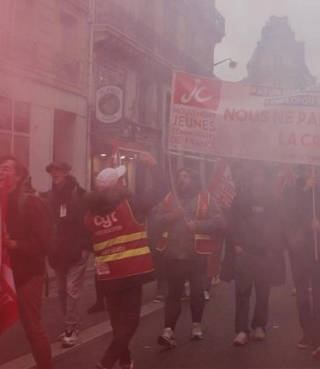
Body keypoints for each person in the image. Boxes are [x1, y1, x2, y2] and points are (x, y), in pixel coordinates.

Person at [0, 156, 53, 368]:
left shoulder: (30, 203)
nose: (0, 172)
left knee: (33, 329)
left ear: (19, 175)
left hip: (27, 276)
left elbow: (42, 244)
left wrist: (13, 244)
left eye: (6, 169)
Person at [83, 153, 166, 369]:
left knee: (117, 320)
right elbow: (160, 188)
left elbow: (86, 242)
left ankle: (125, 359)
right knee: (130, 322)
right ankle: (107, 361)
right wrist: (153, 164)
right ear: (120, 184)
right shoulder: (132, 205)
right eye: (122, 178)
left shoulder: (89, 214)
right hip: (131, 271)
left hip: (106, 275)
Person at [153, 168, 225, 347]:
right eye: (179, 176)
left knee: (197, 292)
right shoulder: (170, 198)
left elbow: (220, 222)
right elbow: (155, 220)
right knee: (173, 293)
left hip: (195, 256)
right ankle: (168, 330)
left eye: (185, 176)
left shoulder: (206, 198)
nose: (181, 179)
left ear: (194, 178)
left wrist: (198, 226)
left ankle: (196, 325)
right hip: (173, 255)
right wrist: (171, 216)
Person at [284, 165, 320, 358]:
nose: (310, 174)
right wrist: (305, 191)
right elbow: (289, 214)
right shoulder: (291, 191)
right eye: (307, 170)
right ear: (301, 172)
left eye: (313, 170)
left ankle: (319, 338)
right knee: (302, 295)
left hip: (319, 250)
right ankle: (307, 332)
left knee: (319, 294)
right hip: (299, 251)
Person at [229, 166, 286, 345]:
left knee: (263, 293)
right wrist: (236, 244)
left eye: (261, 175)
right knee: (242, 292)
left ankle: (259, 325)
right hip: (245, 252)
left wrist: (273, 249)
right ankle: (241, 330)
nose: (258, 179)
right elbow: (231, 223)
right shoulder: (240, 199)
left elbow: (279, 227)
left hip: (264, 254)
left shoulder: (273, 201)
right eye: (256, 175)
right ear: (251, 178)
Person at [42, 161, 91, 348]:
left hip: (77, 250)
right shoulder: (50, 196)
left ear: (66, 172)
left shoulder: (79, 193)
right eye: (52, 171)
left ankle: (71, 328)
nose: (54, 173)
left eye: (58, 170)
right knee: (62, 292)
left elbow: (90, 219)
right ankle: (72, 323)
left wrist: (86, 246)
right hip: (58, 252)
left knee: (71, 289)